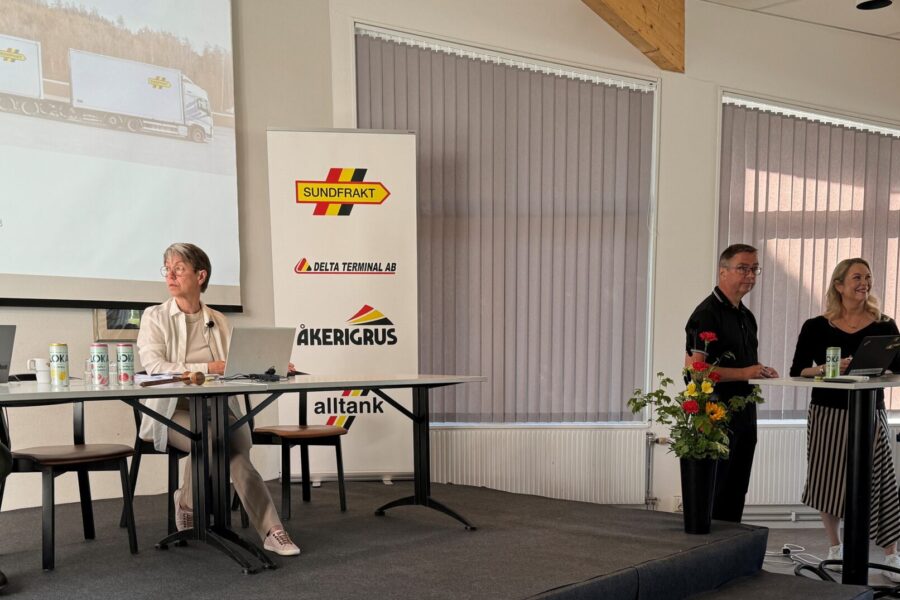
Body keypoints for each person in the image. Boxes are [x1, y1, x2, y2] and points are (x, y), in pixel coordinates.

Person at [137, 243, 300, 556]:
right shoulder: (154, 317)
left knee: (236, 453)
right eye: (167, 269)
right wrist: (207, 367)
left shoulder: (219, 320)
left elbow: (236, 365)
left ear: (200, 276)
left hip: (217, 408)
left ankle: (271, 530)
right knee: (213, 439)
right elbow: (155, 366)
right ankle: (192, 505)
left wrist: (272, 366)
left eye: (178, 269)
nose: (170, 276)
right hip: (170, 411)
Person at [789, 258, 900, 579]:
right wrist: (827, 368)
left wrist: (877, 366)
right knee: (828, 480)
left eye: (868, 277)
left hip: (870, 411)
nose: (864, 283)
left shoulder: (885, 326)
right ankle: (835, 548)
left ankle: (891, 555)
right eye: (856, 277)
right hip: (828, 413)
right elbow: (798, 370)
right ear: (839, 285)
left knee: (881, 478)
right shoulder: (815, 326)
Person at [684, 243, 779, 523]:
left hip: (744, 411)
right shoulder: (706, 314)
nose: (750, 275)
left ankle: (732, 544)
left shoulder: (746, 316)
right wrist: (745, 372)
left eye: (754, 269)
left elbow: (742, 365)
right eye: (743, 268)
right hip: (714, 414)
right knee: (716, 488)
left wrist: (759, 371)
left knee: (737, 487)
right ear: (723, 271)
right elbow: (695, 372)